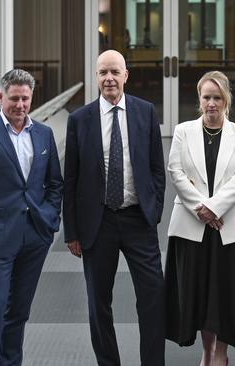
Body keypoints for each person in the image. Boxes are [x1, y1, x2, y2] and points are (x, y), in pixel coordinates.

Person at [63, 49, 166, 366]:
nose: (108, 78)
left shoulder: (145, 111)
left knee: (153, 298)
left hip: (139, 219)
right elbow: (72, 179)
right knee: (98, 303)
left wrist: (155, 209)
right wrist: (72, 231)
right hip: (98, 223)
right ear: (96, 77)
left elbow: (156, 169)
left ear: (126, 75)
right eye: (102, 72)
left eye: (114, 72)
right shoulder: (79, 119)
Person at [0, 69, 63, 366]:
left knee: (19, 310)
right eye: (14, 98)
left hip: (35, 235)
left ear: (32, 98)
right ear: (0, 97)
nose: (20, 105)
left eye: (25, 99)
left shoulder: (43, 134)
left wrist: (50, 218)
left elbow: (55, 183)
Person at [164, 71, 235, 366]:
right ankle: (207, 352)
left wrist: (215, 208)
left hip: (229, 226)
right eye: (206, 97)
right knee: (200, 295)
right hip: (192, 227)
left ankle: (221, 353)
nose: (211, 103)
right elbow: (176, 172)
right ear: (199, 99)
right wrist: (202, 209)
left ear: (226, 100)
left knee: (225, 294)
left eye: (217, 97)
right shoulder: (183, 131)